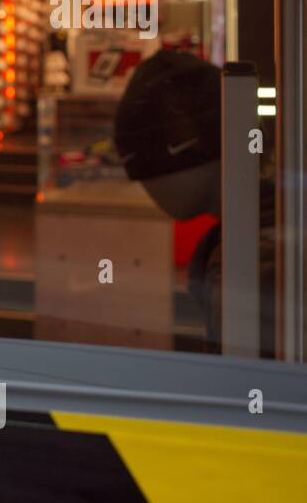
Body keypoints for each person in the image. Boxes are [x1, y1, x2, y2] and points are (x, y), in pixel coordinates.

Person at [113, 49, 274, 354]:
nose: (144, 183)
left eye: (144, 164)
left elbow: (252, 387)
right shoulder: (256, 233)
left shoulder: (253, 260)